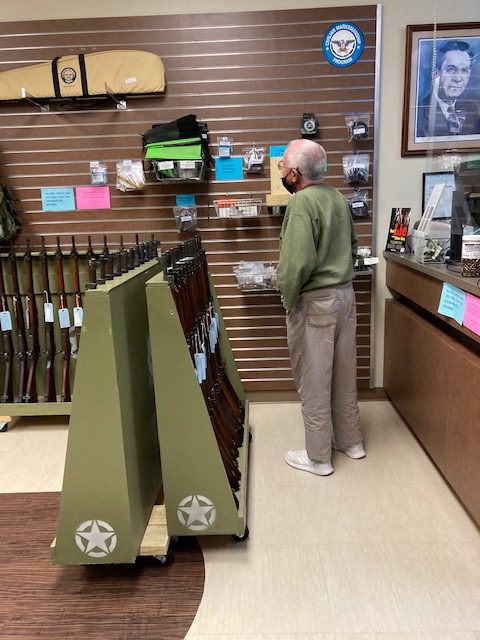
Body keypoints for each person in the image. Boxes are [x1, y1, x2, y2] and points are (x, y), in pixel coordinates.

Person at [277, 139, 364, 477]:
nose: (283, 172)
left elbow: (296, 263)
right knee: (344, 374)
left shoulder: (301, 203)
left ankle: (318, 458)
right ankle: (351, 441)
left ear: (295, 173)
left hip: (315, 302)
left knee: (314, 379)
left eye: (284, 166)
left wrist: (288, 298)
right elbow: (354, 246)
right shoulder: (337, 199)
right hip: (345, 295)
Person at [416, 40, 480, 138]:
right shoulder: (419, 114)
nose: (458, 78)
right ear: (435, 74)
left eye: (464, 71)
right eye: (451, 69)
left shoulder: (473, 109)